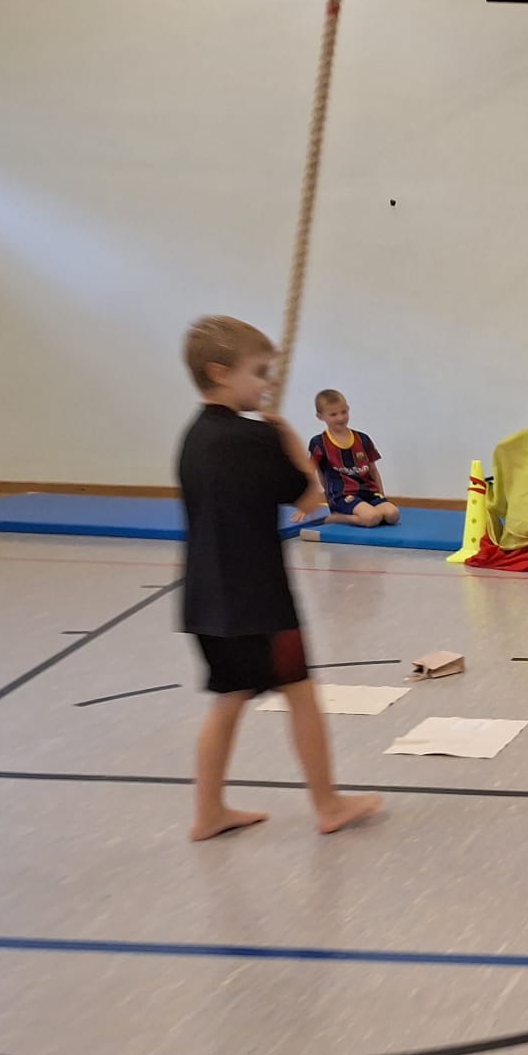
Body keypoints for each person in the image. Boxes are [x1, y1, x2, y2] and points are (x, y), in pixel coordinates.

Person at [178, 317, 382, 841]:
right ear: (220, 372)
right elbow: (311, 499)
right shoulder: (254, 438)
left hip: (206, 597)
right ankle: (329, 804)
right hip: (258, 599)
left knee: (228, 698)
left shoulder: (194, 436)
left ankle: (207, 812)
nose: (268, 383)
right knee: (301, 693)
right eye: (260, 372)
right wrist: (290, 439)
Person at [308, 388, 400, 527]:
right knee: (372, 518)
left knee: (393, 515)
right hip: (343, 495)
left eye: (344, 412)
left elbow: (373, 470)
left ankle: (367, 512)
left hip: (368, 492)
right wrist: (323, 497)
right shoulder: (319, 443)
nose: (340, 418)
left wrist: (381, 494)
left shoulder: (362, 439)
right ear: (320, 417)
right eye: (333, 414)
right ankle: (338, 517)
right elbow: (313, 472)